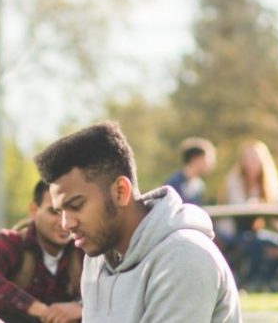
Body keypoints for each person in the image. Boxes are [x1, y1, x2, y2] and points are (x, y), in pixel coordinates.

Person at [34, 122, 240, 322]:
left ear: (121, 191)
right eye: (60, 211)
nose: (66, 224)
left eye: (76, 206)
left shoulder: (185, 256)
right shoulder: (97, 259)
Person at [0, 180, 85, 323]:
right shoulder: (12, 242)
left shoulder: (84, 250)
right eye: (55, 212)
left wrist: (81, 307)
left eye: (71, 211)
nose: (64, 222)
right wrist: (38, 309)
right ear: (34, 210)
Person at [223, 141, 278, 291]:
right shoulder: (235, 179)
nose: (251, 163)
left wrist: (268, 205)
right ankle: (255, 283)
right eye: (248, 158)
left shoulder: (269, 181)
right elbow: (236, 207)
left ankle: (266, 282)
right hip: (235, 232)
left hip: (256, 233)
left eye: (255, 159)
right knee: (255, 244)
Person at [162, 138, 218, 206]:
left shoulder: (199, 186)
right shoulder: (173, 184)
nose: (211, 163)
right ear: (195, 158)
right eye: (208, 158)